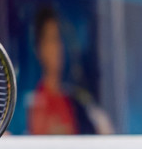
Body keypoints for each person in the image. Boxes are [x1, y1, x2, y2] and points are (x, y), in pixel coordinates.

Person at [21, 7, 110, 135]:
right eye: (52, 39)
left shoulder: (77, 100)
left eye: (59, 39)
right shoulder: (36, 103)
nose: (58, 47)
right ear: (39, 48)